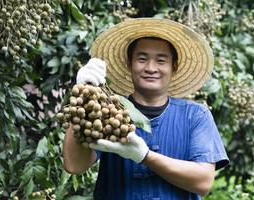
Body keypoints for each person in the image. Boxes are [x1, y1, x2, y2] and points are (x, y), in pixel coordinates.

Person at [63, 18, 229, 200]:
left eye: (161, 60)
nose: (151, 68)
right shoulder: (107, 111)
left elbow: (203, 182)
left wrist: (145, 156)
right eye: (142, 59)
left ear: (174, 67)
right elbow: (74, 165)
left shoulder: (196, 116)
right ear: (129, 64)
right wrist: (84, 95)